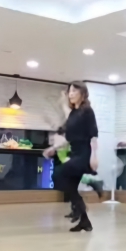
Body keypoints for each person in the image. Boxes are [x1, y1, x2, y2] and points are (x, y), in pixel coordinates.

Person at [44, 81, 99, 232]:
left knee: (58, 174)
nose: (71, 94)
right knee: (71, 187)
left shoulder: (87, 111)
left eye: (75, 91)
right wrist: (53, 148)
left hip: (84, 153)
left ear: (83, 93)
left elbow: (94, 135)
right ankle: (84, 220)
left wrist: (94, 156)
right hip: (74, 152)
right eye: (70, 91)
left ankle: (81, 207)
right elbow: (68, 138)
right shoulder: (73, 114)